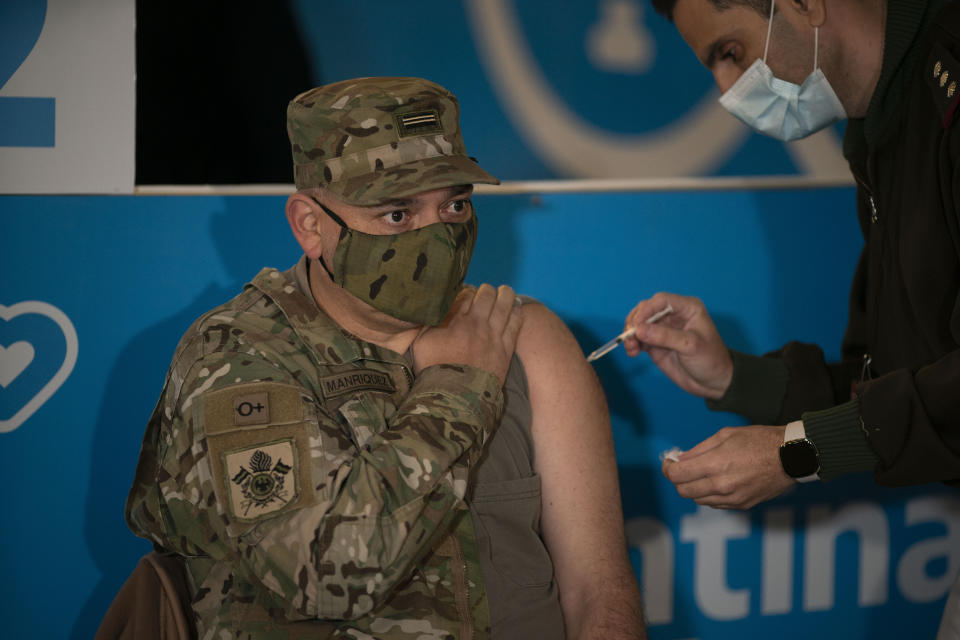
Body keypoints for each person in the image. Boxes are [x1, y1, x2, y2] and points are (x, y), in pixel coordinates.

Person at [123, 77, 645, 639]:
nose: (438, 237)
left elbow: (600, 595)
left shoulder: (524, 335)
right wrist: (456, 384)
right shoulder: (239, 356)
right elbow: (324, 575)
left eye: (454, 205)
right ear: (310, 226)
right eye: (397, 214)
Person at [622, 0, 959, 635]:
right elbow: (891, 379)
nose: (726, 91)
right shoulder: (881, 128)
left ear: (803, 5)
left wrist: (794, 453)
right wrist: (734, 379)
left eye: (729, 53)